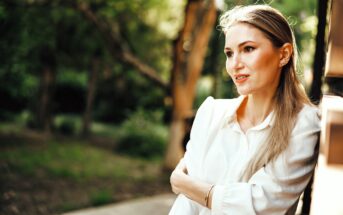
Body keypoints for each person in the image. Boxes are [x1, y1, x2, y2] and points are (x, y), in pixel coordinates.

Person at [169, 4, 321, 215]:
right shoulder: (211, 113)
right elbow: (187, 205)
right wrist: (192, 191)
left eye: (248, 49)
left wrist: (185, 184)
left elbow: (262, 205)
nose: (234, 64)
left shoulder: (304, 124)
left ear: (284, 54)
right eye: (229, 53)